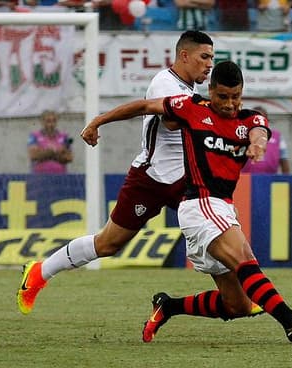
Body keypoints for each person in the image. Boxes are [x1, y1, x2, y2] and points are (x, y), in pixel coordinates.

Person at [80, 60, 292, 343]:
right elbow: (144, 107)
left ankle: (169, 306)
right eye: (223, 97)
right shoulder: (190, 108)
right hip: (200, 205)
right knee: (245, 260)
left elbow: (260, 131)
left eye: (236, 97)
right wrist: (98, 121)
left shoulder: (250, 119)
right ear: (210, 90)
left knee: (237, 305)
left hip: (222, 209)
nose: (229, 104)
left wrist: (258, 144)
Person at [17, 31, 260, 316]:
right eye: (204, 57)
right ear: (184, 55)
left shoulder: (194, 94)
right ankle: (39, 273)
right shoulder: (165, 83)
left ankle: (238, 297)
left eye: (211, 58)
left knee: (218, 236)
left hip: (188, 182)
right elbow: (171, 122)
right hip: (151, 179)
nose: (209, 64)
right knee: (108, 243)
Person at [241, 106, 290, 174]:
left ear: (267, 120)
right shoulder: (242, 135)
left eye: (262, 119)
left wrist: (287, 180)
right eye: (256, 119)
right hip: (246, 180)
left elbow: (284, 159)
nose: (259, 123)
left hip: (270, 180)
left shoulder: (277, 137)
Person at [28, 110, 73, 174]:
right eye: (48, 121)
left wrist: (44, 152)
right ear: (42, 122)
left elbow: (69, 158)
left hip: (60, 177)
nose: (51, 124)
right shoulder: (34, 136)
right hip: (39, 177)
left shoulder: (64, 136)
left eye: (54, 121)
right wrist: (56, 152)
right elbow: (33, 156)